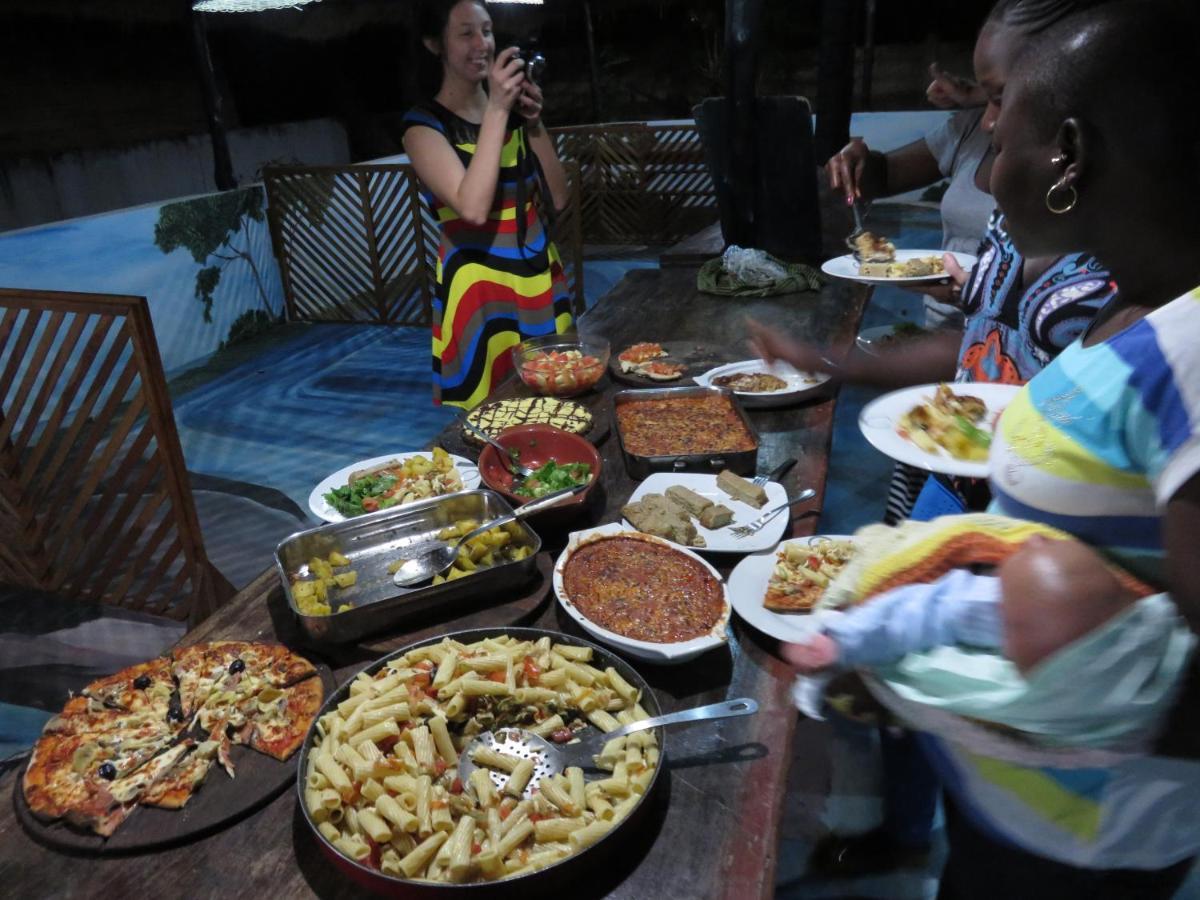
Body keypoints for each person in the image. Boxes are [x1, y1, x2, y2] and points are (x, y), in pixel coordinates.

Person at [823, 4, 1200, 896]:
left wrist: (1006, 682)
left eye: (1006, 141)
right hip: (1019, 821)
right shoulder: (1132, 313)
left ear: (1068, 153)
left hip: (1090, 850)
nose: (988, 179)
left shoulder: (1188, 352)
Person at [785, 529, 1190, 753]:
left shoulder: (1007, 651)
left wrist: (841, 641)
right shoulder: (1062, 625)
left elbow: (933, 609)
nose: (1033, 539)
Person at [400, 0, 574, 409]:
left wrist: (532, 123)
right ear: (433, 44)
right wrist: (497, 109)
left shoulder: (510, 115)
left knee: (564, 403)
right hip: (480, 293)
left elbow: (559, 198)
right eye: (466, 33)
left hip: (537, 281)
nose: (482, 44)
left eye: (488, 30)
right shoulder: (423, 126)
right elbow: (472, 209)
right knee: (493, 422)